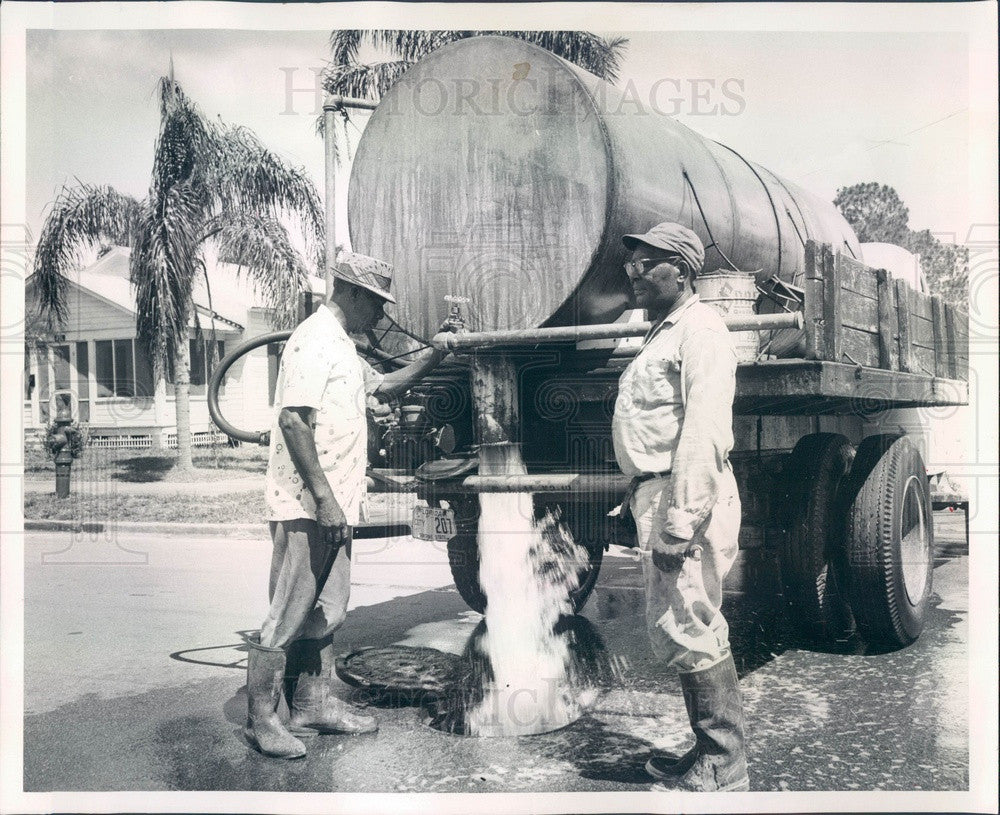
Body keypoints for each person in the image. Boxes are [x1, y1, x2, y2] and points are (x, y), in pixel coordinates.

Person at [243, 251, 452, 759]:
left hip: (336, 502)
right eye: (377, 304)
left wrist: (438, 354)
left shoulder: (341, 344)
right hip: (309, 504)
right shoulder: (313, 340)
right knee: (289, 612)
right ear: (353, 293)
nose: (381, 316)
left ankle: (314, 703)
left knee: (327, 609)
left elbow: (383, 385)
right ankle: (262, 719)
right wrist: (323, 499)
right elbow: (293, 421)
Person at [611, 222, 748, 791]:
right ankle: (707, 750)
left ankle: (725, 760)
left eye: (647, 264)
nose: (634, 273)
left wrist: (679, 519)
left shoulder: (702, 330)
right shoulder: (662, 332)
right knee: (681, 620)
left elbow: (704, 431)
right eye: (631, 264)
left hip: (684, 493)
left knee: (692, 619)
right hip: (660, 489)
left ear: (683, 272)